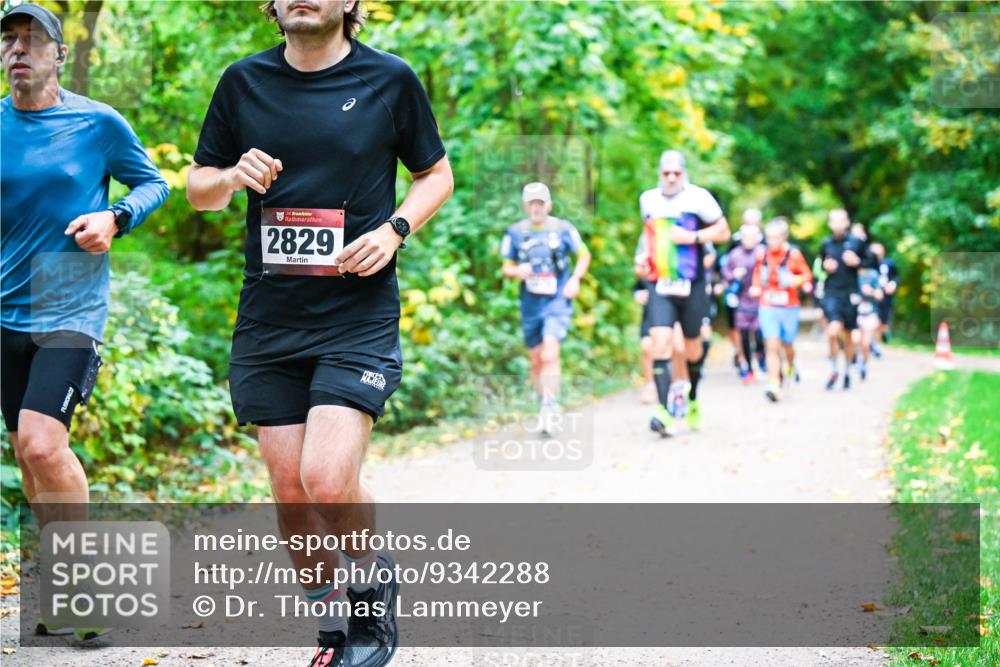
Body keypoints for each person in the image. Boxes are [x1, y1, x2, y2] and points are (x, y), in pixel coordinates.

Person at [186, 2, 453, 665]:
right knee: (291, 493)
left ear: (350, 3)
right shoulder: (241, 82)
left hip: (355, 315)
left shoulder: (390, 80)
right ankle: (332, 625)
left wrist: (395, 231)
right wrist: (229, 175)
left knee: (327, 479)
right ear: (272, 6)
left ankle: (369, 594)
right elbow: (199, 189)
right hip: (269, 320)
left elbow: (436, 175)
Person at [1, 3, 168, 639]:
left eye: (33, 40)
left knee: (43, 442)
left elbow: (152, 184)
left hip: (68, 297)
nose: (19, 50)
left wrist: (115, 218)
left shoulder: (96, 123)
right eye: (9, 40)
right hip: (4, 308)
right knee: (29, 452)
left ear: (59, 54)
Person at [634, 150, 731, 436]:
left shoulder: (698, 198)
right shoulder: (648, 199)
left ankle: (691, 398)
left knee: (692, 349)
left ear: (684, 173)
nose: (672, 177)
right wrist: (640, 258)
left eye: (677, 172)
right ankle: (664, 411)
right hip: (660, 282)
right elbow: (647, 235)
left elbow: (724, 231)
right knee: (660, 344)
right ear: (660, 174)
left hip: (693, 282)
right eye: (667, 173)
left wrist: (694, 238)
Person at [501, 183, 591, 432]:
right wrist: (517, 271)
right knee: (536, 361)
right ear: (525, 206)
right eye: (532, 203)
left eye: (540, 202)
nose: (536, 207)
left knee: (551, 353)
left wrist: (575, 279)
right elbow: (506, 266)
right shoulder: (515, 233)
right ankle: (544, 403)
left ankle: (550, 408)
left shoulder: (563, 229)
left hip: (557, 300)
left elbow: (584, 254)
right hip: (530, 303)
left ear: (549, 205)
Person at [750, 218, 813, 402]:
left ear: (784, 238)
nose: (772, 242)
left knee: (787, 345)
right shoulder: (762, 255)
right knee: (772, 345)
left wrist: (798, 281)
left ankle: (791, 366)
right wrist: (755, 287)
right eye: (769, 238)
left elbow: (806, 275)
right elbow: (756, 274)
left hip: (789, 307)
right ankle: (773, 383)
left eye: (776, 238)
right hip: (767, 305)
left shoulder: (793, 254)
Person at [817, 209, 873, 390]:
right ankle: (834, 369)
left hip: (851, 293)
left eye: (841, 220)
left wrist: (858, 262)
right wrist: (826, 267)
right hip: (832, 292)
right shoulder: (826, 244)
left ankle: (847, 370)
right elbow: (820, 268)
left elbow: (871, 263)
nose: (837, 224)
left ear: (847, 222)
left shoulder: (857, 242)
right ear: (829, 224)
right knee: (832, 331)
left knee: (849, 336)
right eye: (834, 221)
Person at [721, 222, 763, 383]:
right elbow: (725, 274)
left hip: (760, 302)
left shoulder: (763, 253)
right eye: (746, 236)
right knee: (744, 336)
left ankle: (762, 359)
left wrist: (760, 286)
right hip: (741, 303)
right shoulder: (734, 255)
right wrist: (733, 276)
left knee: (760, 335)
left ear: (758, 238)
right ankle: (749, 369)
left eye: (752, 236)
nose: (749, 239)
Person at [869, 241, 898, 351]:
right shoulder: (868, 264)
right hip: (872, 297)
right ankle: (872, 342)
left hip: (886, 297)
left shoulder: (889, 263)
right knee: (873, 319)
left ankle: (877, 342)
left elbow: (896, 276)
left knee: (883, 321)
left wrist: (893, 284)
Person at [634, 278, 657, 403]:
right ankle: (650, 385)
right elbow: (638, 284)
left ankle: (676, 385)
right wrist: (636, 294)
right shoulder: (646, 259)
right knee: (646, 346)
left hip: (675, 304)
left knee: (673, 347)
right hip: (651, 309)